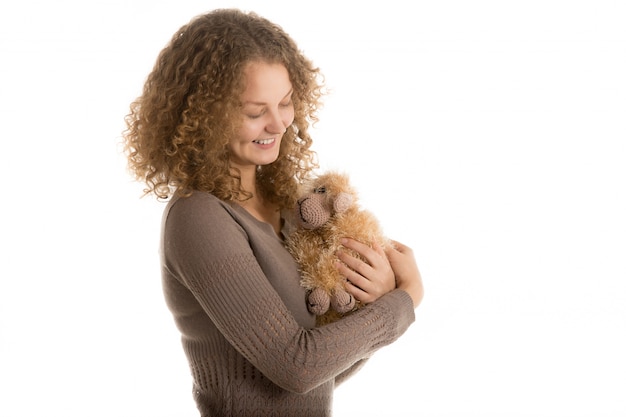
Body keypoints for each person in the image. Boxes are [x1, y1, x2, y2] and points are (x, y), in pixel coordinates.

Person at [123, 8, 423, 417]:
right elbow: (297, 366)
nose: (279, 124)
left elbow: (317, 379)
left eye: (285, 103)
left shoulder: (287, 207)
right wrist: (406, 299)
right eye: (254, 112)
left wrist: (377, 302)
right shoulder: (199, 217)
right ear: (203, 117)